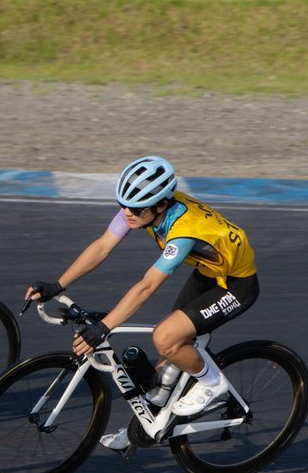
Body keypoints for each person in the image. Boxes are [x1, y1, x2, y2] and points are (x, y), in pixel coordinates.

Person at [26, 155, 259, 444]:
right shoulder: (142, 209)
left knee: (166, 337)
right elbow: (102, 246)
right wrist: (58, 284)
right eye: (122, 205)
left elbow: (147, 286)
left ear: (161, 205)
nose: (127, 213)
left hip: (236, 285)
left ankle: (213, 383)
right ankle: (147, 428)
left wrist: (104, 327)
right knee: (167, 358)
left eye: (135, 209)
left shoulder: (182, 234)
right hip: (209, 273)